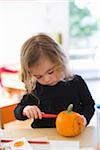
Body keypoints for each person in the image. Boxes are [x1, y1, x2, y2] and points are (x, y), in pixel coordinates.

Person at [14, 33, 95, 129]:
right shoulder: (35, 88)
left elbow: (89, 105)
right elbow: (17, 111)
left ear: (60, 61)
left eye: (50, 72)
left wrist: (84, 119)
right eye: (39, 76)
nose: (47, 79)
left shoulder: (76, 82)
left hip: (73, 132)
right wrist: (25, 110)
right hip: (44, 136)